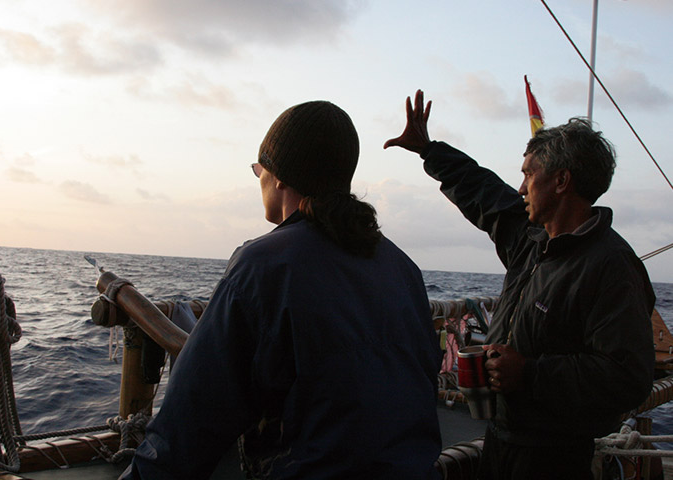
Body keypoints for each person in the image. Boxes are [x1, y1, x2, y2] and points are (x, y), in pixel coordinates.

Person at [120, 100, 443, 479]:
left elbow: (194, 417)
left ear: (280, 176)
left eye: (259, 168)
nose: (258, 178)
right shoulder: (403, 268)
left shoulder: (262, 266)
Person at [385, 90, 655, 480]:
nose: (521, 187)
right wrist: (429, 150)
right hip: (501, 439)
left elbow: (627, 377)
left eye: (529, 173)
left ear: (561, 181)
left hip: (554, 457)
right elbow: (485, 193)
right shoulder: (530, 240)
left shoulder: (611, 267)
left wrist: (528, 373)